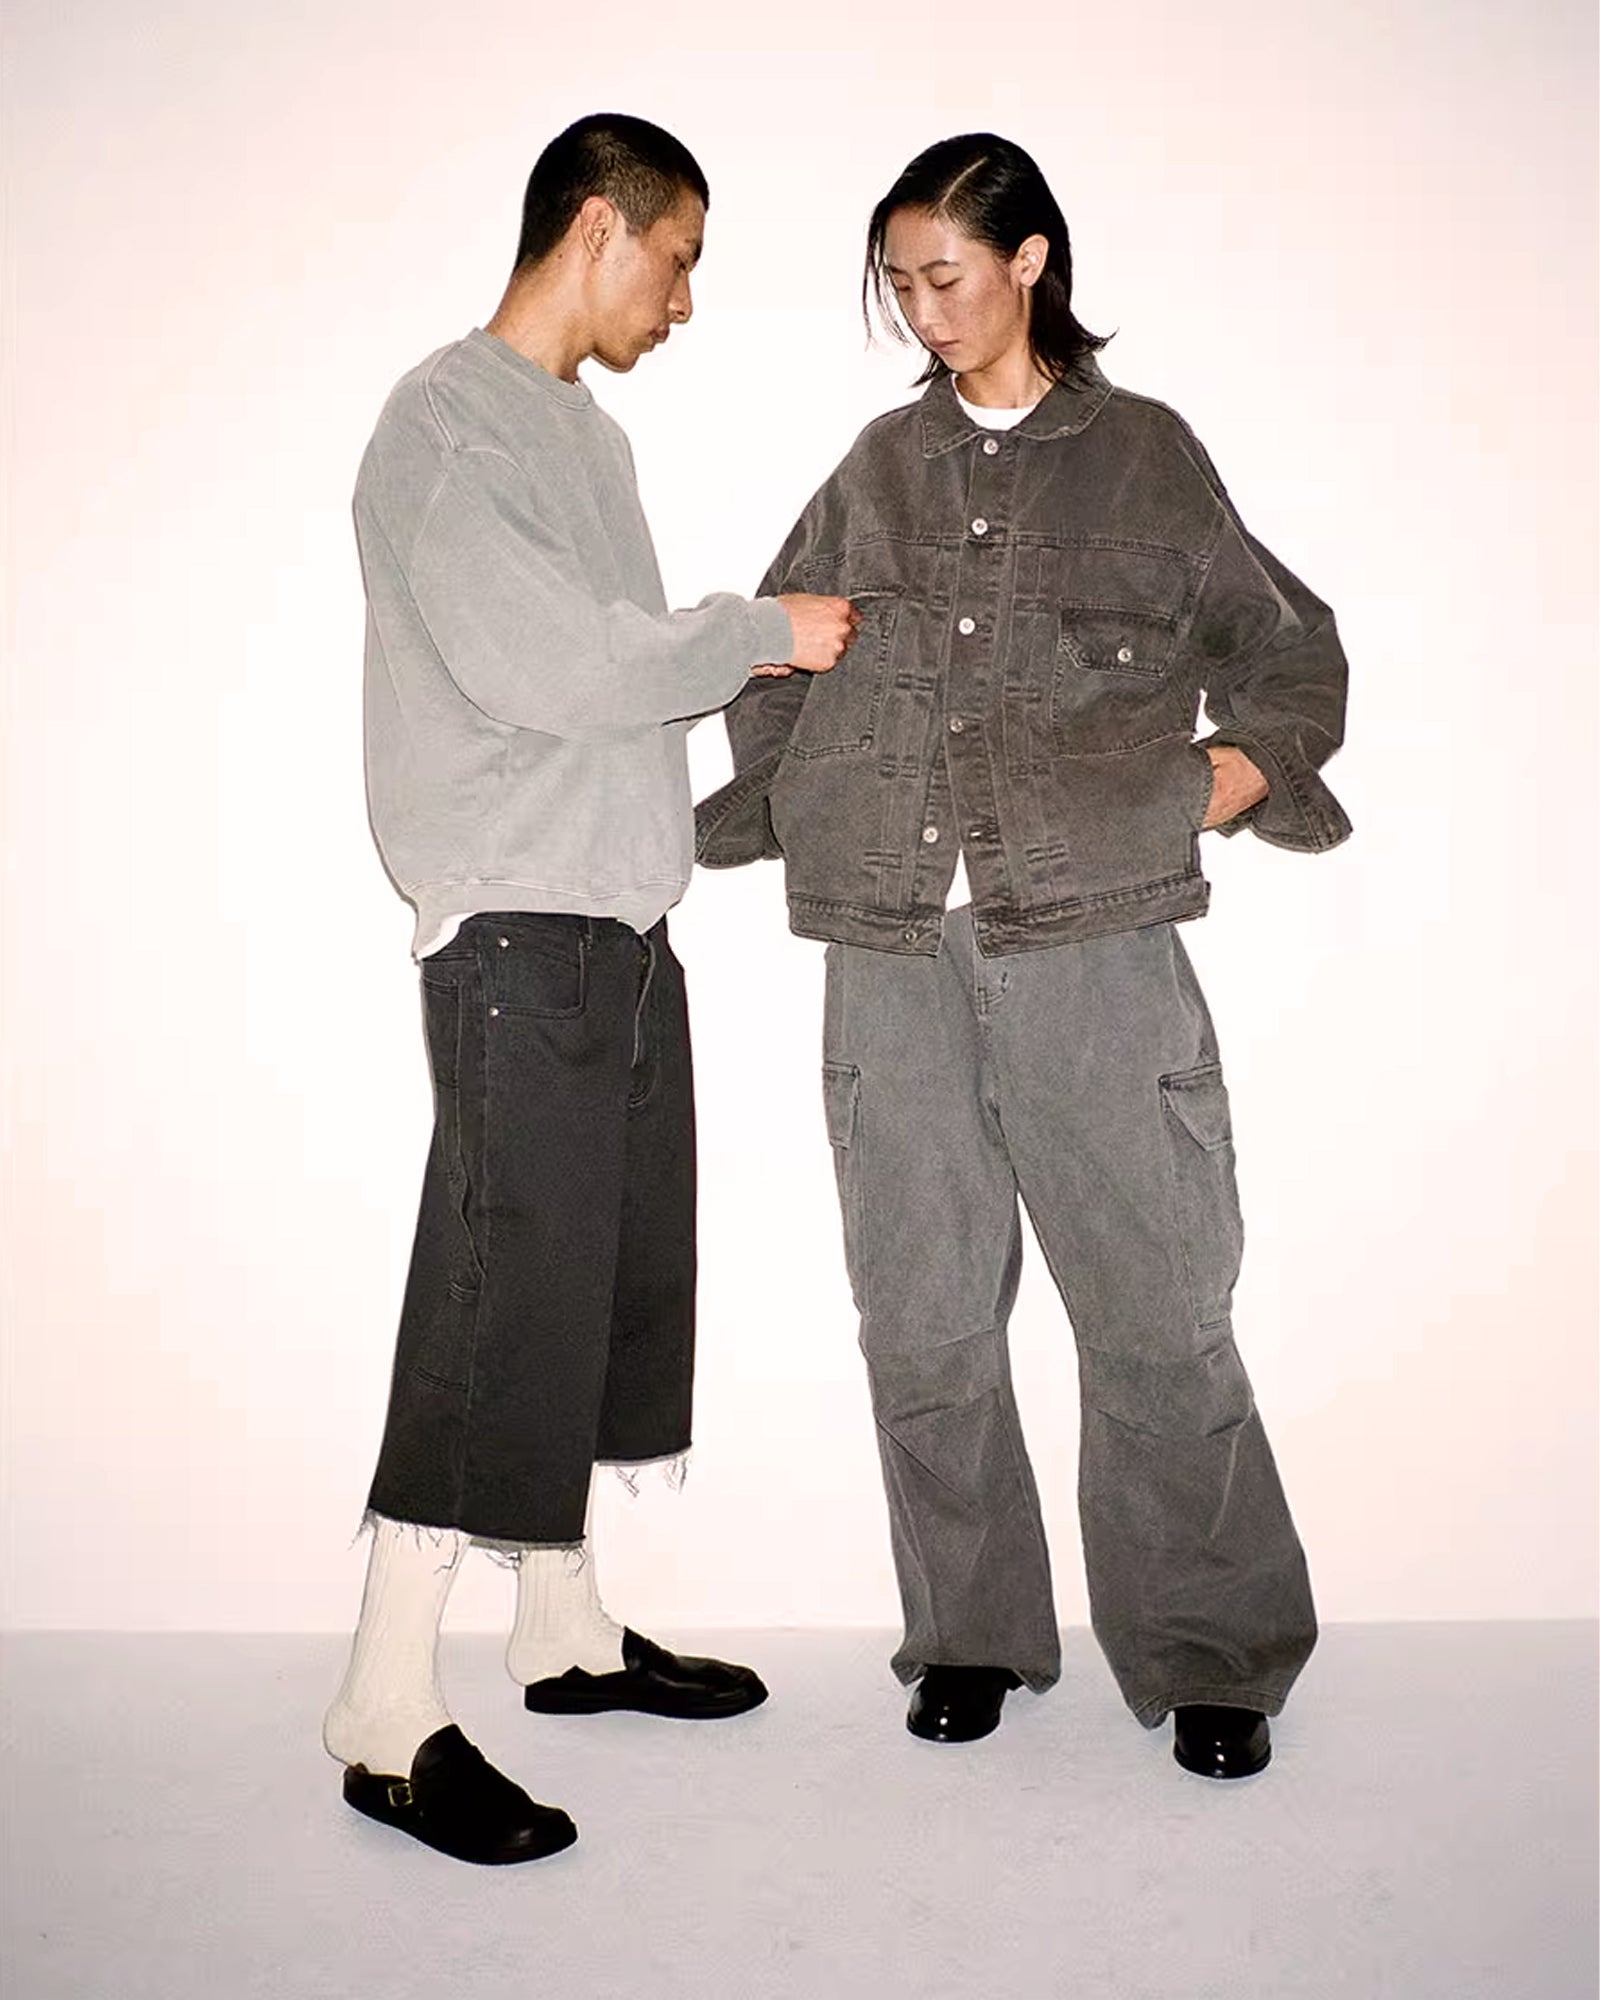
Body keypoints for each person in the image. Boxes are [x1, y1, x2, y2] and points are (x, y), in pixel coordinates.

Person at [697, 133, 1350, 1780]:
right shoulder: (875, 468)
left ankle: (1209, 1651)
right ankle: (973, 1634)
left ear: (1032, 260)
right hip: (896, 948)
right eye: (899, 285)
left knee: (1155, 1313)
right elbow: (783, 648)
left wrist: (1235, 773)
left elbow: (1291, 647)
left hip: (1097, 950)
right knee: (919, 1319)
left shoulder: (1145, 460)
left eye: (947, 276)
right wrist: (761, 811)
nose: (923, 311)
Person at [324, 112, 858, 1865]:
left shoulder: (588, 442)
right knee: (492, 1304)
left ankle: (560, 1634)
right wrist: (759, 630)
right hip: (512, 940)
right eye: (681, 254)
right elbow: (553, 663)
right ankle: (387, 1714)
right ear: (599, 225)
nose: (686, 297)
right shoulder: (439, 424)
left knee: (598, 1295)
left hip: (616, 939)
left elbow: (607, 704)